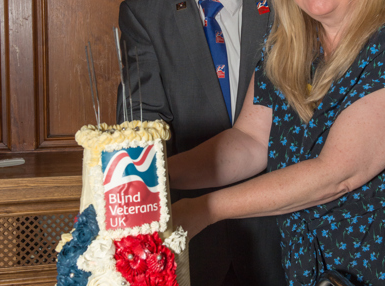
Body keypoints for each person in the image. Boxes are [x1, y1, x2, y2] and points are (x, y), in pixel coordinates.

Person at [168, 0, 385, 284]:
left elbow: (336, 174)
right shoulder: (290, 45)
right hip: (309, 273)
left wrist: (205, 210)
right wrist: (157, 177)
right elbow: (250, 140)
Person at [116, 0, 287, 285]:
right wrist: (130, 179)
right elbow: (143, 126)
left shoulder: (294, 6)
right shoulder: (144, 11)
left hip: (281, 231)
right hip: (191, 236)